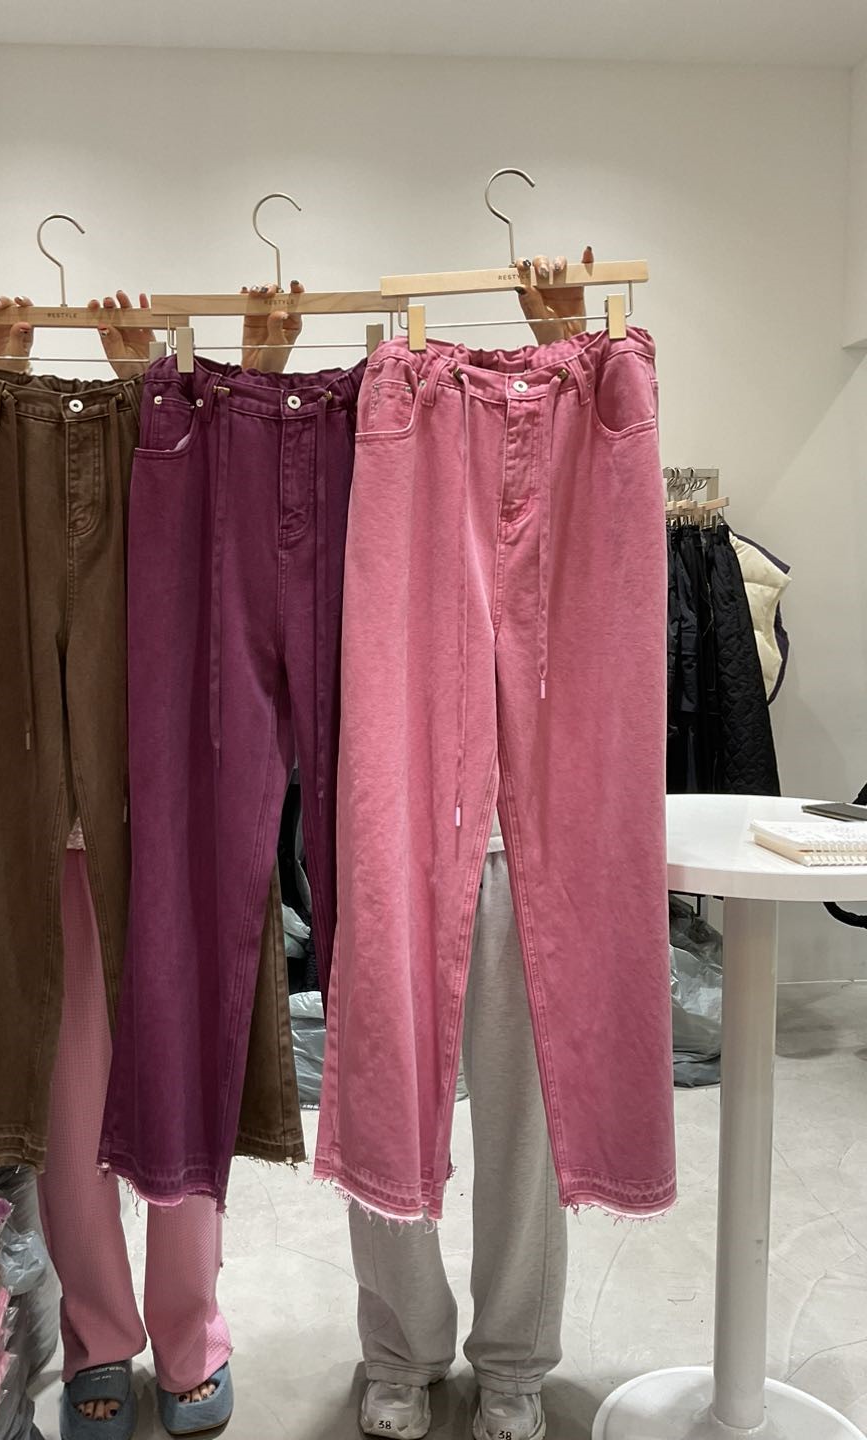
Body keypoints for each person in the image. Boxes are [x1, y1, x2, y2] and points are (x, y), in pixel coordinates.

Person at [0, 281, 303, 1440]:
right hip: (54, 831)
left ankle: (191, 1330)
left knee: (184, 1071)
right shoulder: (4, 465)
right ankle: (102, 1334)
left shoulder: (174, 450)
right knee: (71, 1101)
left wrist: (157, 380)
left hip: (173, 816)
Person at [352, 250, 593, 1440]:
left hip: (534, 853)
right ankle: (398, 1350)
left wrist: (569, 338)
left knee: (526, 1120)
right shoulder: (401, 422)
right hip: (403, 830)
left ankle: (513, 1362)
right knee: (383, 1089)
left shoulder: (587, 439)